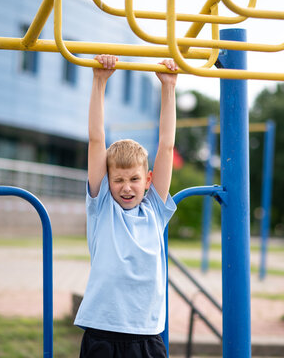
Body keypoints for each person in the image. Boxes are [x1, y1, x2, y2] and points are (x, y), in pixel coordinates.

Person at [74, 54, 179, 358]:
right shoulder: (102, 205)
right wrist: (99, 81)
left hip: (146, 335)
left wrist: (168, 88)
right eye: (118, 180)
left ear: (148, 180)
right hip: (102, 333)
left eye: (134, 179)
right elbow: (96, 140)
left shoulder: (154, 210)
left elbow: (167, 145)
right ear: (107, 181)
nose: (126, 187)